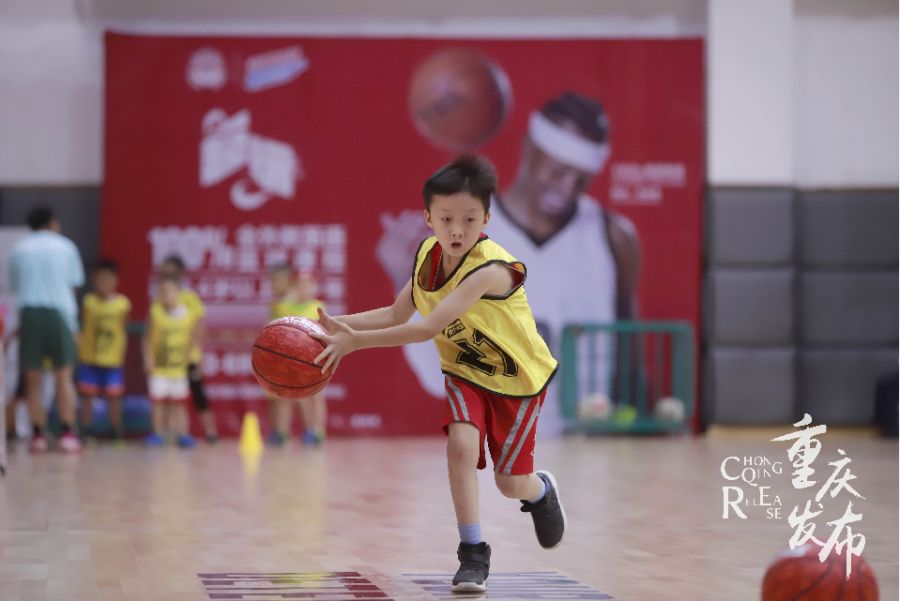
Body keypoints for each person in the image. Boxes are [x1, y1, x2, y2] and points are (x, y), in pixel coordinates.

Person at [312, 155, 566, 592]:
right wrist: (341, 323)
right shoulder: (428, 256)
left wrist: (354, 344)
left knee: (509, 484)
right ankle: (473, 553)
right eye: (446, 218)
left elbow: (427, 327)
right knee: (461, 446)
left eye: (469, 220)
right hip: (465, 372)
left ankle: (540, 491)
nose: (457, 230)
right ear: (428, 217)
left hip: (516, 382)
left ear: (486, 218)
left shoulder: (490, 271)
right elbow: (396, 312)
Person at [377, 92, 641, 435]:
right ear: (529, 147)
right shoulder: (468, 235)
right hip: (499, 443)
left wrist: (643, 432)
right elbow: (436, 372)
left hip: (589, 442)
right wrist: (404, 278)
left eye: (581, 177)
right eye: (559, 170)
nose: (567, 187)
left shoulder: (614, 237)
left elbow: (630, 357)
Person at [8, 207, 85, 453]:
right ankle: (67, 432)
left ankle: (38, 434)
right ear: (53, 223)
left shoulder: (19, 249)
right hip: (59, 314)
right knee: (64, 375)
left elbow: (16, 288)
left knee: (32, 379)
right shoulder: (66, 246)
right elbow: (72, 287)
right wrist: (73, 326)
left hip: (30, 314)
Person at [158, 255, 218, 442]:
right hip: (168, 357)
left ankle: (211, 432)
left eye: (172, 271)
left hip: (188, 356)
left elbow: (199, 325)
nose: (168, 274)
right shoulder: (160, 299)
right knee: (167, 396)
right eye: (165, 271)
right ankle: (169, 432)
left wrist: (194, 352)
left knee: (198, 394)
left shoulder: (189, 298)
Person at [267, 264, 327, 446]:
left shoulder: (318, 307)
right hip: (291, 359)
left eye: (307, 285)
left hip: (314, 358)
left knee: (315, 396)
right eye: (300, 285)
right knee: (285, 396)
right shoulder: (283, 306)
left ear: (313, 287)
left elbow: (325, 332)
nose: (303, 289)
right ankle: (282, 431)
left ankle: (316, 431)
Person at [76, 259, 132, 439]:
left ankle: (115, 430)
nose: (103, 284)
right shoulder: (89, 301)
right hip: (90, 357)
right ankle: (86, 429)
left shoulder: (123, 303)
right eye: (99, 279)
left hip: (112, 358)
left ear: (115, 281)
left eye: (107, 279)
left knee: (114, 397)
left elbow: (125, 326)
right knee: (87, 395)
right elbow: (84, 324)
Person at [143, 275, 197, 448]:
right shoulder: (155, 312)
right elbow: (147, 338)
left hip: (178, 369)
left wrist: (192, 361)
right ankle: (157, 433)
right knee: (158, 403)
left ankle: (182, 434)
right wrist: (148, 359)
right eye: (162, 291)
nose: (165, 295)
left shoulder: (188, 315)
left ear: (179, 292)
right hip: (159, 368)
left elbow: (192, 340)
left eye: (169, 291)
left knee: (179, 404)